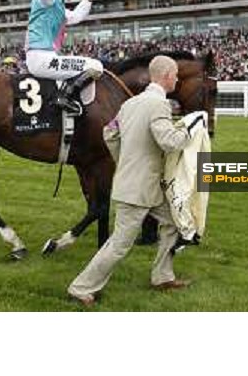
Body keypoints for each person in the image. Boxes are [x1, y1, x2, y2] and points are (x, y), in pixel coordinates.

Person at [67, 55, 207, 306]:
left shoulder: (130, 104)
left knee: (174, 224)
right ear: (166, 77)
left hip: (144, 187)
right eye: (175, 75)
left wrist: (126, 160)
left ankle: (162, 276)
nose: (176, 79)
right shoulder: (158, 105)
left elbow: (110, 133)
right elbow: (169, 141)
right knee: (120, 244)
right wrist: (192, 128)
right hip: (138, 190)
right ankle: (81, 287)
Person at [25, 0, 103, 115]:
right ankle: (64, 98)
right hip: (41, 58)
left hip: (46, 57)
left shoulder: (58, 6)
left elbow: (75, 17)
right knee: (95, 66)